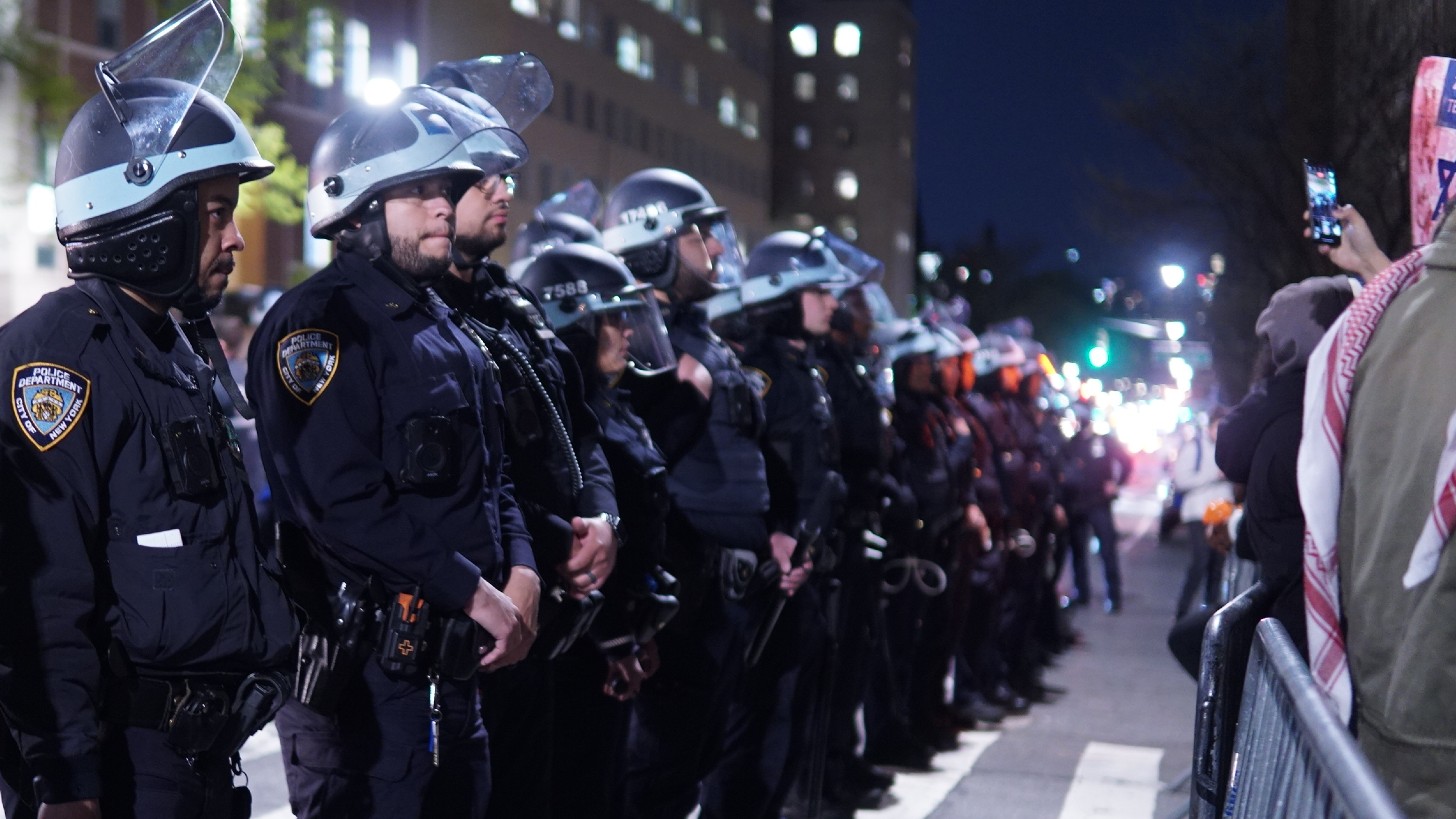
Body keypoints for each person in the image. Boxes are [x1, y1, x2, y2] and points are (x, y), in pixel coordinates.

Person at [0, 4, 296, 816]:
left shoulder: (175, 347)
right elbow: (41, 598)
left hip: (201, 759)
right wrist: (66, 783)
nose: (235, 237)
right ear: (144, 215)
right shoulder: (58, 356)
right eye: (213, 211)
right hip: (120, 771)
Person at [248, 86, 533, 818]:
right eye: (418, 191)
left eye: (445, 188)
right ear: (362, 207)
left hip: (454, 669)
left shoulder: (446, 326)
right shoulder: (317, 325)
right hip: (364, 688)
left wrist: (523, 570)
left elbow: (493, 473)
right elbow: (340, 503)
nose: (445, 205)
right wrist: (478, 591)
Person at [423, 55, 623, 819]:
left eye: (504, 174)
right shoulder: (415, 319)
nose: (505, 191)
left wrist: (603, 516)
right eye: (483, 177)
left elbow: (583, 431)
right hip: (478, 617)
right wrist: (553, 546)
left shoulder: (512, 306)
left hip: (548, 614)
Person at [601, 167, 795, 819]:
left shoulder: (696, 335)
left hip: (721, 590)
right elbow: (636, 460)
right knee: (655, 771)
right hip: (676, 587)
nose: (715, 249)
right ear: (653, 243)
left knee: (697, 757)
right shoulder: (630, 338)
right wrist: (684, 397)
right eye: (698, 236)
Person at [522, 242, 686, 817]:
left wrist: (637, 628)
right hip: (575, 643)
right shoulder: (560, 416)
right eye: (611, 318)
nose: (627, 333)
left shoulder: (608, 406)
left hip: (615, 632)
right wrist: (614, 634)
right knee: (578, 787)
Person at [1062, 403, 1133, 613]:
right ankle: (1081, 592)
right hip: (1077, 503)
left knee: (1107, 550)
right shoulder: (1072, 443)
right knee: (1078, 551)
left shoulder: (1103, 441)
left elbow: (1126, 462)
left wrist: (1117, 483)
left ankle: (1114, 595)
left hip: (1099, 502)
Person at [1171, 412, 1233, 619]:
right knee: (1200, 561)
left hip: (1220, 512)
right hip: (1198, 511)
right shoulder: (1194, 447)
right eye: (1218, 427)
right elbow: (1181, 480)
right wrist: (1213, 476)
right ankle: (1183, 611)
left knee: (1217, 565)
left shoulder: (1229, 449)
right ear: (1209, 427)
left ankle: (1210, 616)